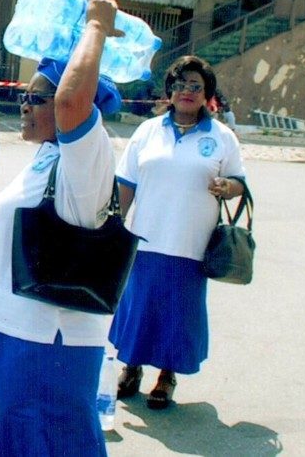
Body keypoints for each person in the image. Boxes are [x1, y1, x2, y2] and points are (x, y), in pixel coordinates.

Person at [0, 0, 124, 456]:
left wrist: (96, 25)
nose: (25, 105)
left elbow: (72, 101)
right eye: (23, 96)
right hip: (4, 331)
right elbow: (48, 240)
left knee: (39, 442)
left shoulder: (86, 158)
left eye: (37, 98)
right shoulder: (46, 158)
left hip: (43, 346)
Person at [110, 55, 246, 410]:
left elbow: (239, 183)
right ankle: (131, 369)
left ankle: (166, 376)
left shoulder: (222, 137)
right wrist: (114, 227)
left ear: (207, 94)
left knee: (177, 314)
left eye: (195, 86)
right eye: (180, 84)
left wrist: (227, 186)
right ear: (169, 91)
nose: (187, 91)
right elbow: (126, 183)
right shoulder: (147, 131)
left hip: (192, 244)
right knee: (139, 307)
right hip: (145, 239)